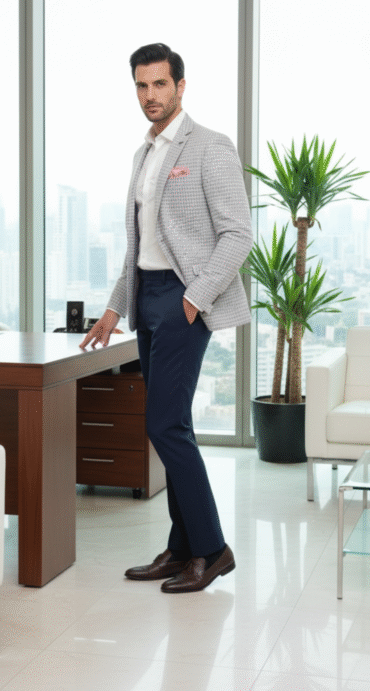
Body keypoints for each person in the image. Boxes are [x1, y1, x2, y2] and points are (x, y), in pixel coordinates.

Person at [80, 43, 253, 593]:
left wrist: (195, 297)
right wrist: (114, 308)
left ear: (180, 86)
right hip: (146, 297)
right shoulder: (144, 154)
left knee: (164, 425)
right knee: (171, 424)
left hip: (183, 300)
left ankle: (212, 549)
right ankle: (182, 549)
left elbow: (238, 234)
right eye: (141, 85)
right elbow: (138, 246)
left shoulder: (210, 147)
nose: (150, 95)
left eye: (159, 83)